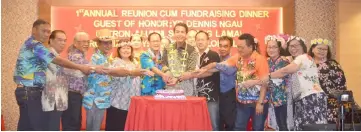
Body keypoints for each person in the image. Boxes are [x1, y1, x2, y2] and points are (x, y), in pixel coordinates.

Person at [13, 19, 93, 131]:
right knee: (33, 127)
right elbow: (57, 61)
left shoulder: (36, 46)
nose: (46, 34)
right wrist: (81, 67)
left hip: (31, 92)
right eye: (44, 31)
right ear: (34, 30)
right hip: (30, 92)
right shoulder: (34, 45)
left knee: (27, 127)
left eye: (48, 32)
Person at [198, 33, 269, 131]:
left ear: (250, 47)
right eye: (238, 47)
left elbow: (265, 82)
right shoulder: (238, 57)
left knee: (257, 128)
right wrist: (206, 68)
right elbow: (221, 65)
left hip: (257, 102)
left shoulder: (260, 59)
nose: (239, 50)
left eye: (241, 47)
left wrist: (260, 103)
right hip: (241, 102)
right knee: (238, 128)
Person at [259, 36, 328, 130]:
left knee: (312, 127)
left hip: (311, 97)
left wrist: (269, 76)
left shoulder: (303, 57)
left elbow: (286, 70)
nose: (293, 48)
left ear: (303, 46)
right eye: (291, 46)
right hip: (302, 97)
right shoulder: (295, 59)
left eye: (296, 46)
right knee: (302, 127)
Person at [105, 38, 153, 131]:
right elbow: (125, 74)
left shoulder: (134, 63)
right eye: (123, 48)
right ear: (119, 50)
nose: (126, 50)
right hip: (118, 104)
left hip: (131, 105)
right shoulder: (116, 62)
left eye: (128, 48)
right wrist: (139, 72)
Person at [179, 31, 221, 130]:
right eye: (198, 40)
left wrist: (190, 75)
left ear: (208, 41)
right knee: (197, 123)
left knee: (213, 123)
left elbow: (209, 72)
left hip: (210, 96)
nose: (200, 42)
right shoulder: (192, 55)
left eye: (203, 39)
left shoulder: (213, 54)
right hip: (194, 95)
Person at [308, 38, 348, 123]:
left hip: (331, 104)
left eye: (325, 49)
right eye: (319, 48)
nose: (322, 51)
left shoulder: (333, 64)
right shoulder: (307, 64)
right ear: (312, 49)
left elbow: (342, 85)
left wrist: (344, 103)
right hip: (311, 103)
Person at [83, 29, 114, 131]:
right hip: (94, 99)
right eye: (105, 43)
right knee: (93, 127)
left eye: (110, 43)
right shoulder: (96, 57)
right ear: (98, 44)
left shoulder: (106, 57)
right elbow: (90, 72)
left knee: (96, 126)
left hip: (102, 98)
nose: (108, 46)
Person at [62, 32, 91, 131]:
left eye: (87, 42)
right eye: (83, 41)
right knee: (72, 123)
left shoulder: (81, 55)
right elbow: (89, 69)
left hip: (75, 95)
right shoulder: (76, 56)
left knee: (75, 122)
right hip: (71, 95)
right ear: (75, 43)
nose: (86, 44)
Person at [41, 30, 69, 131]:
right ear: (51, 40)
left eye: (65, 40)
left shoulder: (58, 55)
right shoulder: (48, 53)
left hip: (57, 101)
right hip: (51, 100)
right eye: (60, 40)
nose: (63, 43)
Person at [161, 22, 198, 96]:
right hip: (170, 85)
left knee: (185, 107)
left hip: (186, 87)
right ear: (174, 33)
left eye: (182, 32)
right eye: (177, 32)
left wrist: (177, 79)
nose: (180, 34)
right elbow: (164, 63)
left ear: (186, 34)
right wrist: (167, 71)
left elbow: (191, 70)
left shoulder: (192, 50)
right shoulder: (167, 48)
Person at [263, 35, 290, 131]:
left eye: (274, 47)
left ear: (279, 49)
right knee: (269, 126)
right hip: (267, 98)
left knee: (282, 124)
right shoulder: (265, 61)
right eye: (269, 47)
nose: (271, 49)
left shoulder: (284, 61)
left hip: (281, 98)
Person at [218, 36, 237, 131]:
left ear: (231, 48)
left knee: (230, 124)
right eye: (220, 46)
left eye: (225, 46)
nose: (222, 48)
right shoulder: (216, 59)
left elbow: (229, 71)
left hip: (229, 95)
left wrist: (214, 65)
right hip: (217, 96)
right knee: (218, 124)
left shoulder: (234, 60)